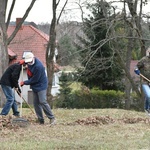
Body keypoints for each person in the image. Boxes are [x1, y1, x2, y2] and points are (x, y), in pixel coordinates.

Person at [20, 52, 55, 124]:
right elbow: (25, 64)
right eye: (27, 61)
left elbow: (35, 79)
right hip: (34, 86)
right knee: (36, 103)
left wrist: (25, 82)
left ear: (33, 58)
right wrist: (21, 62)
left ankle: (52, 118)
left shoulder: (38, 66)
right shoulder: (29, 62)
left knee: (42, 101)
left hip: (41, 85)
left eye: (29, 61)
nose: (28, 62)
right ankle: (41, 120)